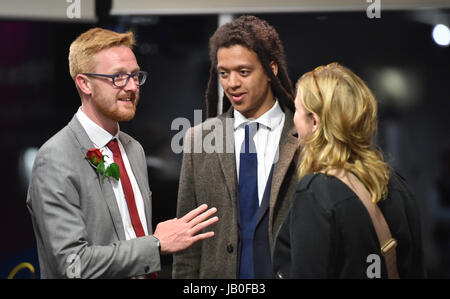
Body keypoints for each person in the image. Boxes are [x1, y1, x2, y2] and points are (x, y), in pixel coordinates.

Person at [26, 27, 218, 279]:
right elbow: (72, 265)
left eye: (135, 75)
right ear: (85, 84)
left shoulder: (133, 149)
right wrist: (156, 244)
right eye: (118, 77)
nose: (132, 87)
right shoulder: (56, 158)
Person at [172, 15, 300, 279]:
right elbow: (187, 244)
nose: (231, 83)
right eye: (224, 73)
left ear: (270, 69)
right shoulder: (199, 139)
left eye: (243, 72)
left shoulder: (305, 137)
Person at [272, 62, 426, 278]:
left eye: (296, 109)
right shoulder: (397, 185)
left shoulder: (316, 193)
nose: (292, 120)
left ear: (315, 123)